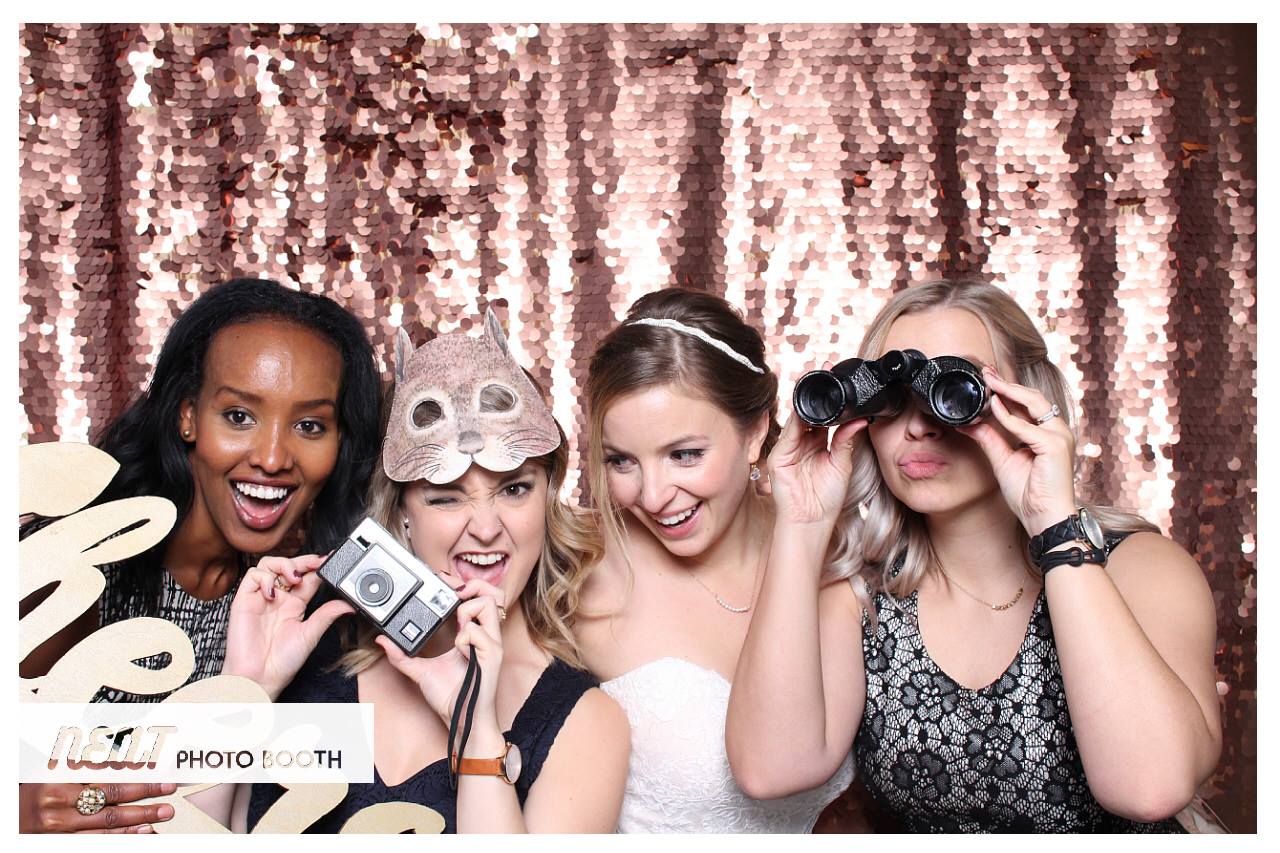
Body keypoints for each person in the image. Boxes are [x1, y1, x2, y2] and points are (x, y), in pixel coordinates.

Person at [725, 279, 1222, 832]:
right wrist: (803, 522)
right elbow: (771, 769)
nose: (918, 426)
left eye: (954, 392)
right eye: (895, 400)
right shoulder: (864, 598)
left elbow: (1151, 787)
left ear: (1027, 401)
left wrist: (1053, 525)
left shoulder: (1139, 568)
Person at [210, 310, 629, 833]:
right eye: (446, 498)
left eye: (514, 489)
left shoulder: (583, 723)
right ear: (403, 516)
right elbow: (193, 837)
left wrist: (477, 732)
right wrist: (241, 689)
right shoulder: (316, 659)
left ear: (549, 497)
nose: (484, 528)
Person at [19, 277, 382, 833]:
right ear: (188, 415)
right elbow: (25, 770)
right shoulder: (74, 564)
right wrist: (18, 809)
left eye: (310, 425)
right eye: (239, 416)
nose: (272, 457)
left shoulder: (295, 610)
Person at [574, 288, 854, 832]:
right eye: (621, 461)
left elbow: (784, 762)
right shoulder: (579, 574)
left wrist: (801, 528)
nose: (653, 495)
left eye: (685, 455)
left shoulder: (842, 555)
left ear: (754, 434)